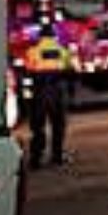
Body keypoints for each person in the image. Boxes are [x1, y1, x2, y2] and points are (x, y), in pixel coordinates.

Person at [24, 22, 74, 169]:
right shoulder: (62, 51)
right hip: (58, 90)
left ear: (40, 37)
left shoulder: (32, 51)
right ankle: (57, 156)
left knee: (38, 127)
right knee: (58, 125)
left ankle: (36, 159)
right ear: (54, 37)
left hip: (40, 91)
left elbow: (28, 71)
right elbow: (70, 71)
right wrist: (70, 91)